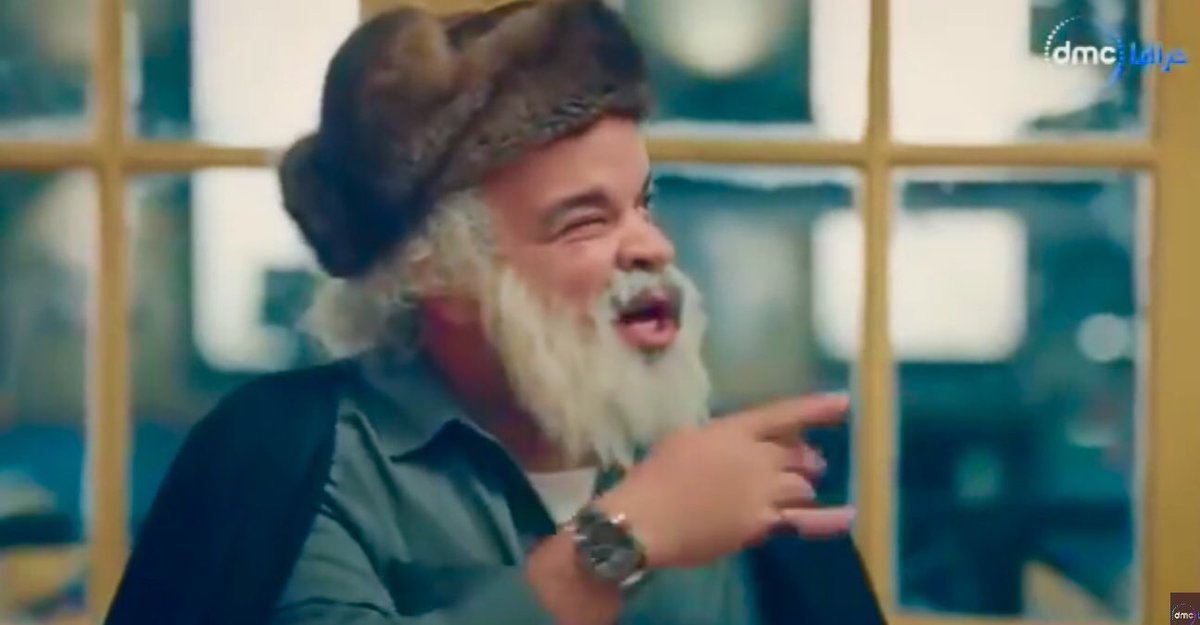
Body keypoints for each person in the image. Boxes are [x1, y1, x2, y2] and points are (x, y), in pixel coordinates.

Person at [104, 1, 887, 624]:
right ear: (441, 271)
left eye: (643, 204)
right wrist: (623, 540)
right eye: (586, 220)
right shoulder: (296, 462)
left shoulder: (724, 473)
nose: (652, 245)